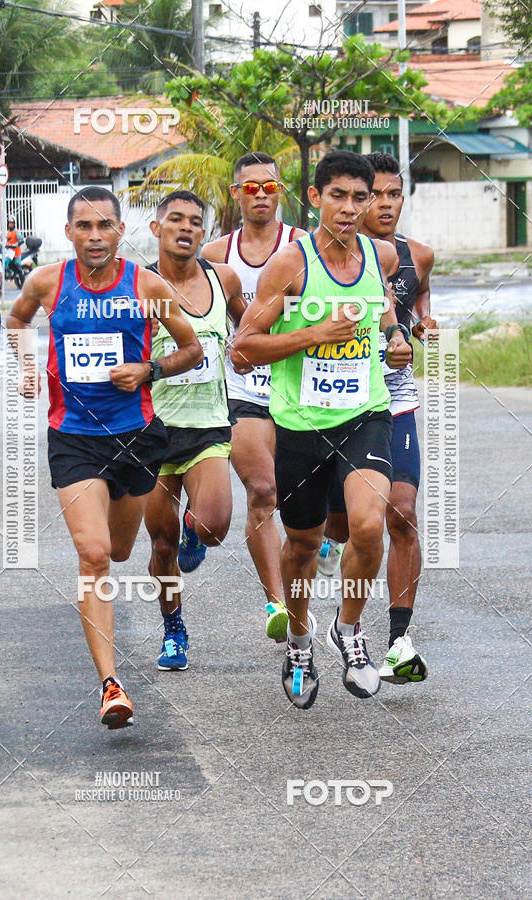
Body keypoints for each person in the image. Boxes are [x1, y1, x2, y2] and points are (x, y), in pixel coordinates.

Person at [6, 186, 202, 730]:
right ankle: (111, 685)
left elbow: (193, 349)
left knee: (117, 551)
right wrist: (26, 367)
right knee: (92, 556)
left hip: (135, 437)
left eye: (105, 227)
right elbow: (17, 322)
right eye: (84, 227)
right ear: (69, 232)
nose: (95, 237)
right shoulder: (47, 281)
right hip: (73, 438)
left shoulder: (147, 285)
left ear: (122, 231)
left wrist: (150, 370)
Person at [233, 150, 411, 709]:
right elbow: (243, 350)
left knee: (367, 526)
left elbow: (381, 314)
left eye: (363, 197)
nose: (352, 208)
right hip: (300, 424)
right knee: (304, 542)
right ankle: (300, 636)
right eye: (339, 196)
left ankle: (350, 630)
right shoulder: (292, 264)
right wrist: (313, 335)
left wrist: (395, 339)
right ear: (315, 198)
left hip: (365, 415)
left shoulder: (381, 257)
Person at [319, 152, 436, 685]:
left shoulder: (417, 256)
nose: (385, 205)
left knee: (402, 513)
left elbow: (416, 304)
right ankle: (339, 602)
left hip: (395, 398)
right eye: (375, 195)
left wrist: (421, 325)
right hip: (339, 403)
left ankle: (399, 640)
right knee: (347, 526)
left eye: (394, 194)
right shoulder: (322, 257)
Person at [201, 152, 309, 643]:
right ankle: (276, 602)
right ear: (235, 194)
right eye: (250, 188)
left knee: (309, 502)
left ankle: (313, 552)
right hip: (242, 388)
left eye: (269, 187)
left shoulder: (304, 247)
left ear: (280, 191)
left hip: (299, 386)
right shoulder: (215, 255)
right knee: (262, 490)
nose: (260, 195)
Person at [144, 190, 246, 671]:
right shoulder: (138, 286)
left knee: (214, 524)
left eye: (196, 223)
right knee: (159, 546)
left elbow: (251, 326)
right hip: (150, 431)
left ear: (204, 233)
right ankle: (173, 631)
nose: (186, 228)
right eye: (176, 220)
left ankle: (193, 532)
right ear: (156, 229)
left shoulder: (223, 278)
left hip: (209, 426)